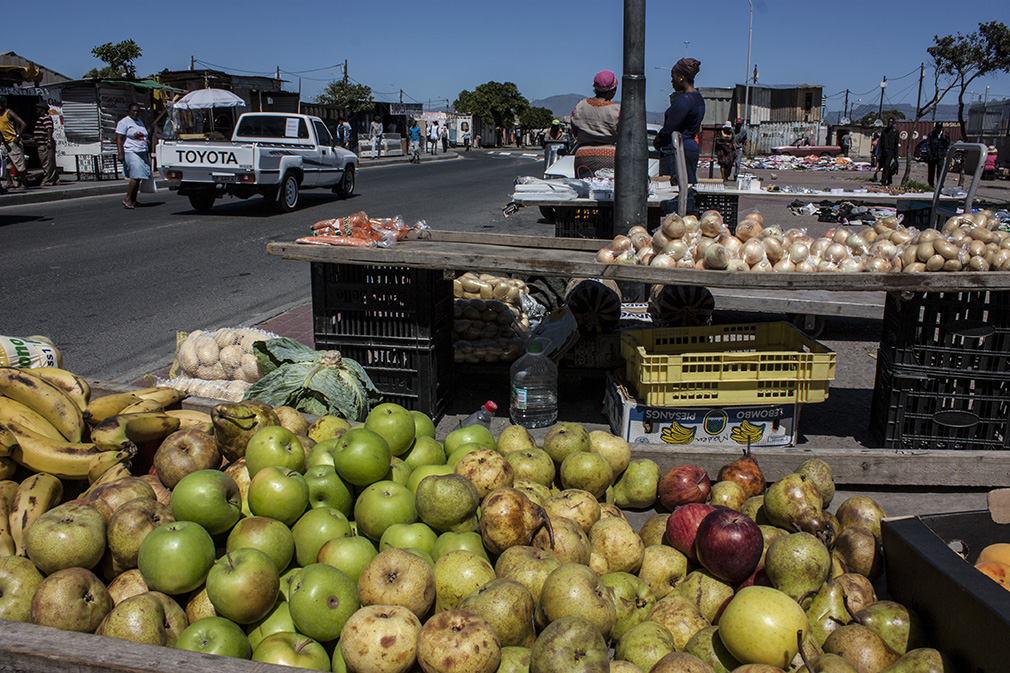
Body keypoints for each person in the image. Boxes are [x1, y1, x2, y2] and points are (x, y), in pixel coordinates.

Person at [655, 58, 705, 189]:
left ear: (681, 77)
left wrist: (658, 140)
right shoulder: (698, 98)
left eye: (673, 77)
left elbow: (670, 128)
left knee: (672, 191)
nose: (672, 82)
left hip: (677, 151)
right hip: (690, 149)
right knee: (687, 189)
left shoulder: (684, 100)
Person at [570, 70, 621, 177]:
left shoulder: (580, 106)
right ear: (613, 91)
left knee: (584, 189)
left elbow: (575, 131)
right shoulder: (617, 110)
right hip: (610, 156)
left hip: (583, 155)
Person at [115, 102, 152, 209]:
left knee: (139, 176)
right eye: (133, 111)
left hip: (142, 151)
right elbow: (119, 138)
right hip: (131, 151)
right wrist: (120, 153)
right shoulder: (124, 122)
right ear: (129, 111)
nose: (135, 113)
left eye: (137, 111)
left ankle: (133, 200)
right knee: (136, 176)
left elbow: (142, 135)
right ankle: (127, 199)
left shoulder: (139, 122)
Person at [0, 96, 29, 191]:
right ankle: (10, 182)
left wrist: (18, 137)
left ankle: (24, 183)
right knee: (5, 166)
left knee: (19, 164)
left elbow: (23, 124)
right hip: (3, 143)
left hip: (13, 142)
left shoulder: (9, 113)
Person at [34, 104, 58, 186]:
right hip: (41, 143)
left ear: (42, 109)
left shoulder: (46, 118)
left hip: (45, 144)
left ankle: (48, 180)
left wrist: (49, 141)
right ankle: (54, 178)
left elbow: (49, 130)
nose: (37, 110)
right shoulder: (41, 118)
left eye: (38, 108)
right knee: (49, 162)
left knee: (47, 162)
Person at [924, 122, 950, 187]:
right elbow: (928, 144)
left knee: (940, 171)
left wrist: (944, 139)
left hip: (940, 155)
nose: (938, 129)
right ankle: (931, 184)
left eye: (940, 127)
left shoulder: (945, 134)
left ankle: (940, 184)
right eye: (937, 127)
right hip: (932, 156)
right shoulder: (931, 134)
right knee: (931, 171)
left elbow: (948, 144)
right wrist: (929, 154)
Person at [878, 117, 899, 186]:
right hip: (884, 151)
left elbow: (896, 144)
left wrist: (896, 155)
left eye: (891, 122)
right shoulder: (884, 131)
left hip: (891, 152)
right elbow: (881, 142)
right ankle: (889, 180)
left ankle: (883, 180)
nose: (890, 124)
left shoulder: (895, 132)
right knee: (885, 166)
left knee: (886, 166)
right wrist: (879, 152)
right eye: (889, 122)